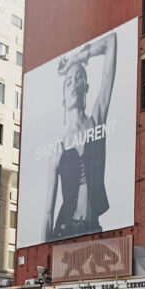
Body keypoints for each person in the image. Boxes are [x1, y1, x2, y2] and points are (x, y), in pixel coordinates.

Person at [43, 32, 117, 241]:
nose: (74, 83)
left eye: (79, 78)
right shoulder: (58, 148)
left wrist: (74, 60)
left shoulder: (97, 120)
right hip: (64, 231)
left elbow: (111, 42)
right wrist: (42, 254)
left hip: (93, 228)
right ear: (63, 99)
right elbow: (47, 213)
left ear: (86, 87)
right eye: (68, 81)